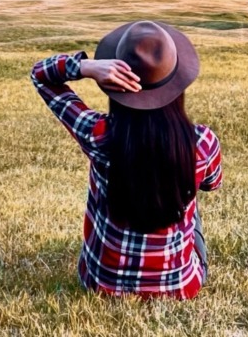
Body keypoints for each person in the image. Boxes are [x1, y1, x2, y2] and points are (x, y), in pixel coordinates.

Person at [30, 20, 222, 299]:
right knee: (189, 190)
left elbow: (40, 75)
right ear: (176, 83)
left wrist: (86, 67)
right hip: (179, 287)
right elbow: (212, 184)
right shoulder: (202, 143)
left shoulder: (97, 135)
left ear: (114, 83)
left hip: (101, 284)